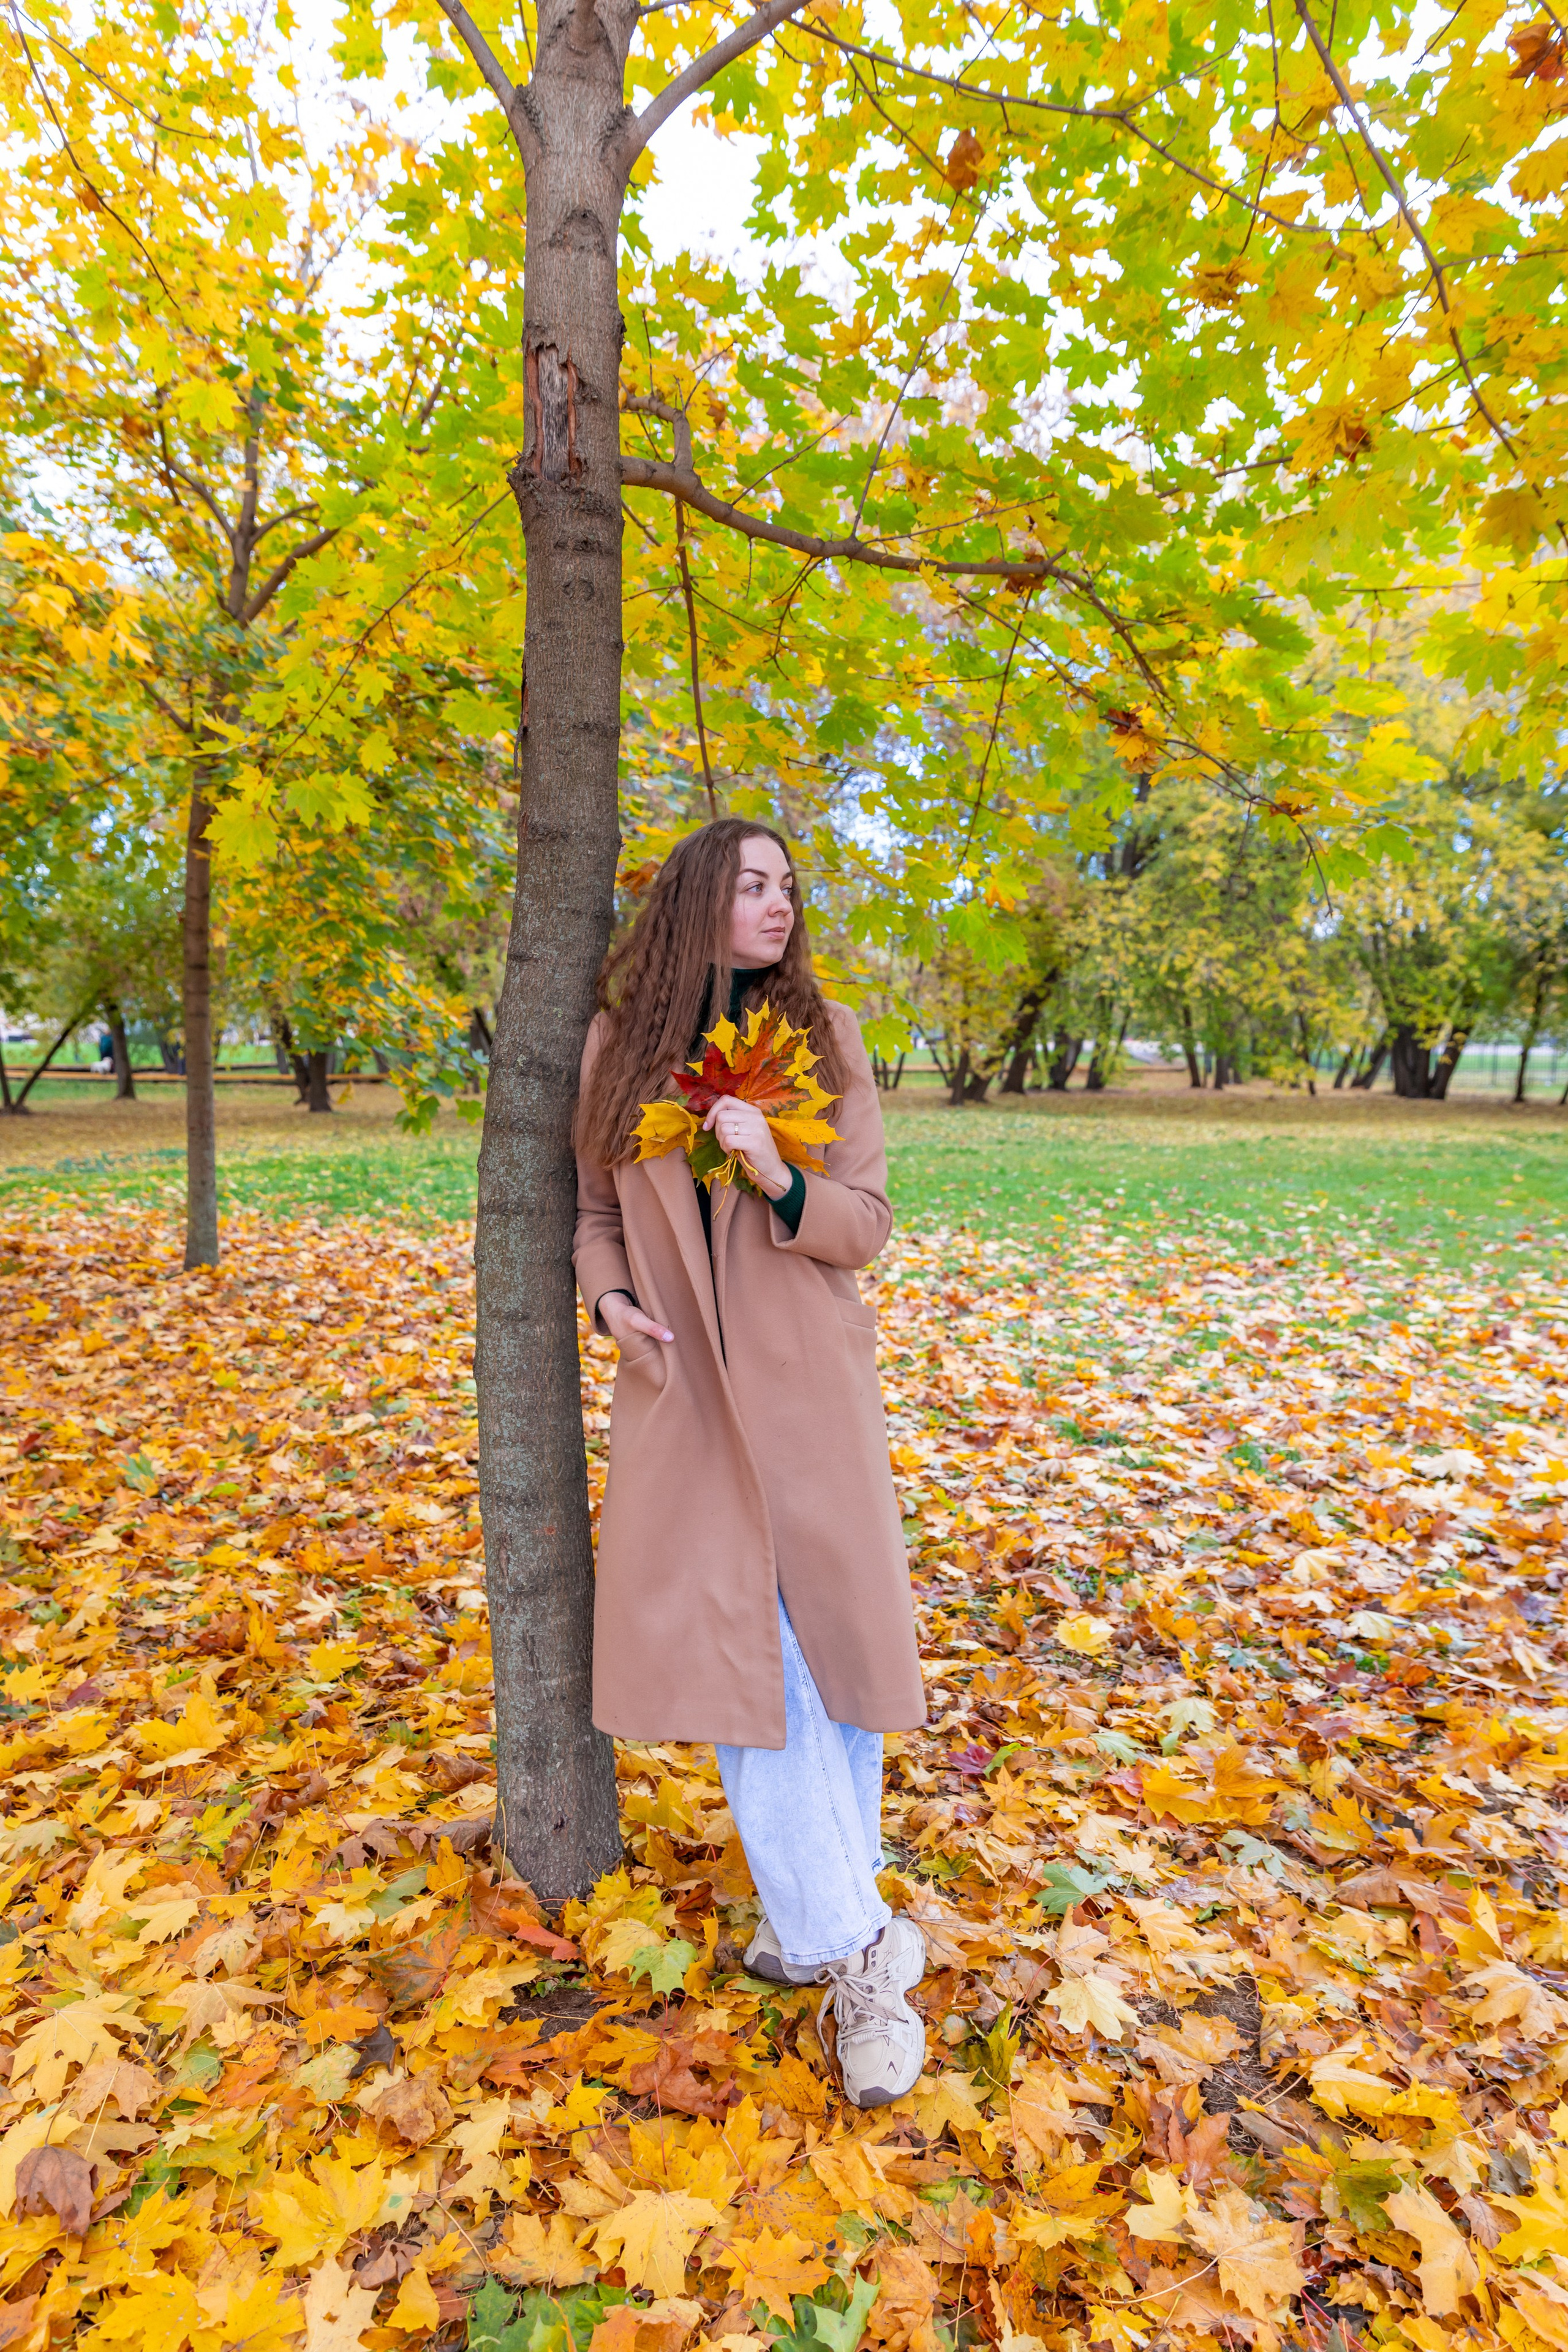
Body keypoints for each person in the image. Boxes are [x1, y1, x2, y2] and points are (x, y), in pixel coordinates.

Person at [573, 816, 930, 2105]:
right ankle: (862, 1959)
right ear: (692, 906)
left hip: (807, 1391)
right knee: (754, 1667)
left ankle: (821, 1930)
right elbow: (595, 1211)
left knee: (830, 1662)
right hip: (684, 1400)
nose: (776, 906)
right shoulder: (620, 1048)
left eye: (787, 885)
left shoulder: (823, 1044)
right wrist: (606, 1299)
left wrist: (779, 1176)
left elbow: (867, 1225)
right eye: (749, 885)